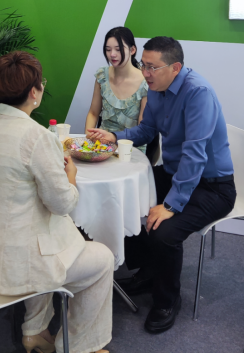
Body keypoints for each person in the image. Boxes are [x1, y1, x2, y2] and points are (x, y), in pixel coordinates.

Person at [0, 51, 114, 353]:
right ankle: (80, 347)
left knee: (42, 235)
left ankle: (34, 331)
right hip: (19, 264)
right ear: (34, 92)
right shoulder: (37, 137)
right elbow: (62, 204)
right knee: (103, 258)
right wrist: (70, 177)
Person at [87, 37, 236, 334]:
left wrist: (170, 204)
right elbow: (146, 130)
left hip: (213, 187)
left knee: (164, 231)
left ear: (175, 67)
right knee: (123, 197)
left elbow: (195, 155)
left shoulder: (199, 93)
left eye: (152, 67)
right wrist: (115, 137)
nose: (145, 73)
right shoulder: (155, 88)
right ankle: (150, 271)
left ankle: (167, 300)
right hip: (176, 173)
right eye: (144, 65)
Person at [85, 26, 148, 152]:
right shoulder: (102, 76)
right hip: (101, 145)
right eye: (108, 50)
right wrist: (88, 137)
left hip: (131, 148)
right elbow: (93, 113)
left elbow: (142, 129)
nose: (112, 54)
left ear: (132, 50)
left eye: (118, 49)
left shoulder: (145, 82)